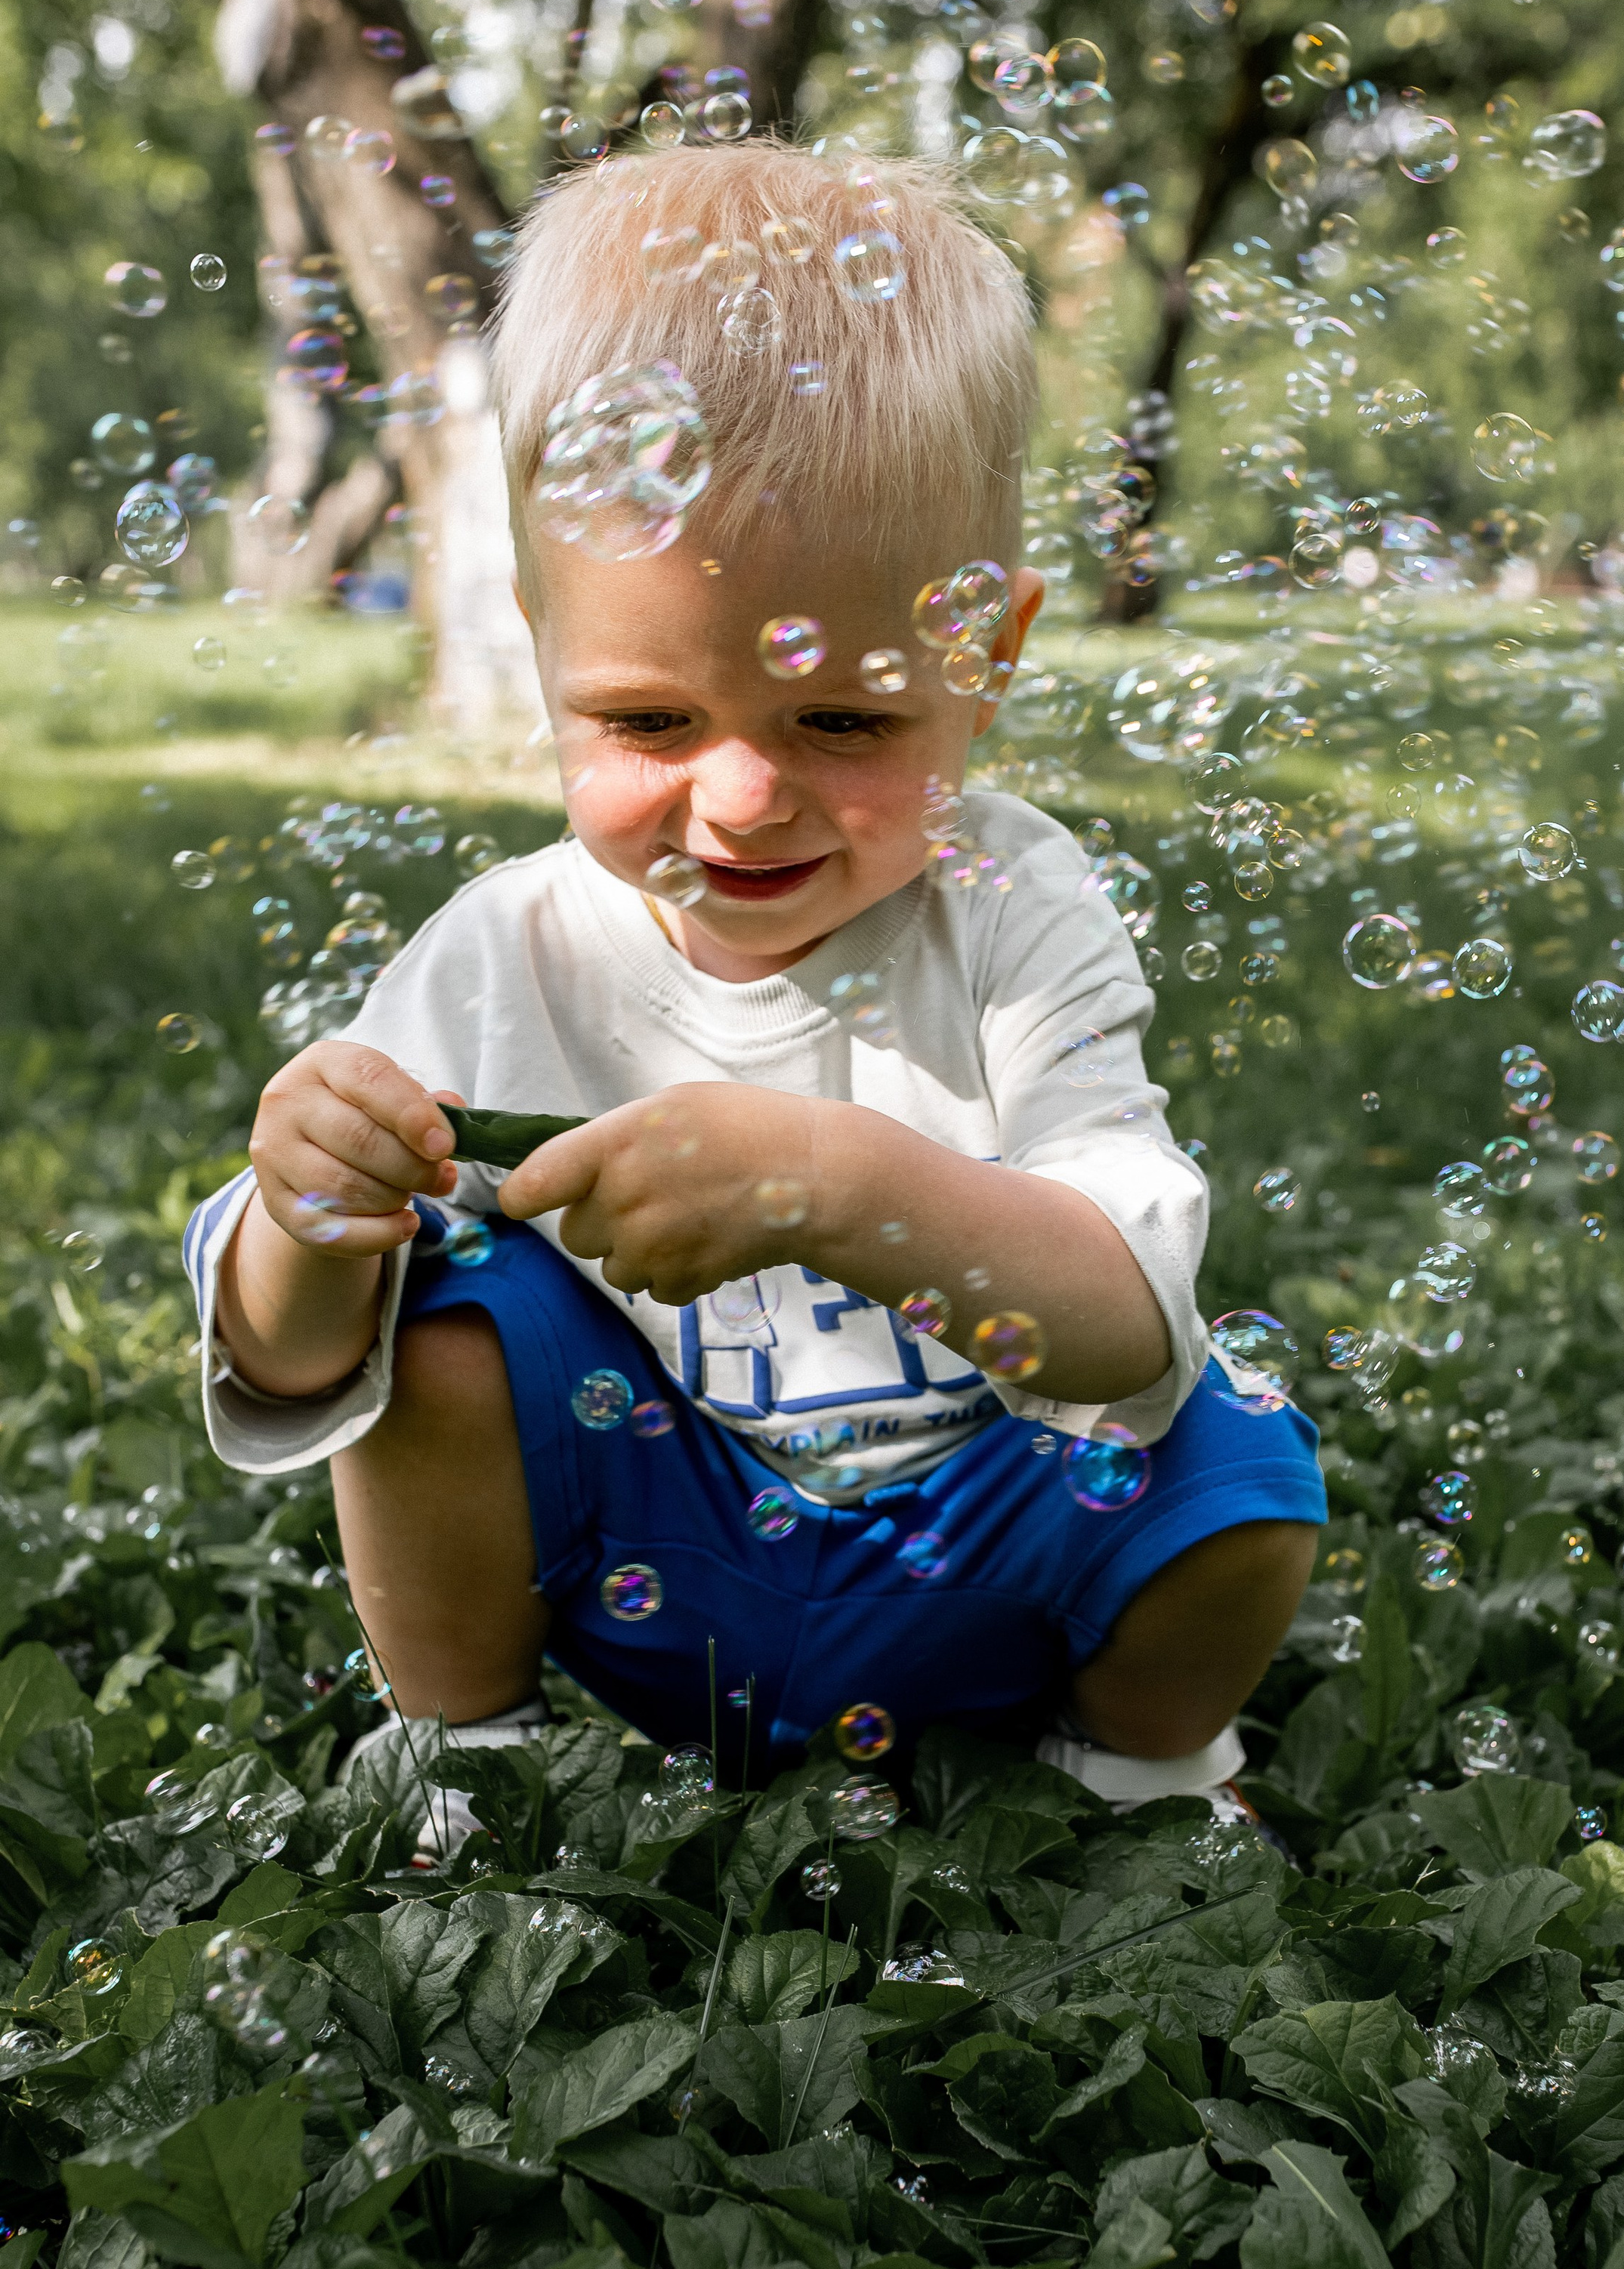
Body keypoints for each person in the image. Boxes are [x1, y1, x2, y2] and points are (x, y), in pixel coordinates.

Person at [182, 139, 1323, 1831]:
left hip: (980, 1542)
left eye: (843, 722)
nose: (737, 799)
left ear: (984, 654)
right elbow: (286, 1370)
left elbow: (1124, 1331)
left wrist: (831, 1184)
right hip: (665, 1543)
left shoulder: (1014, 914)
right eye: (645, 721)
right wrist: (303, 1214)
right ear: (540, 642)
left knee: (1237, 1466)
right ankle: (463, 1760)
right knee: (432, 1331)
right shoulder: (515, 949)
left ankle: (1133, 1779)